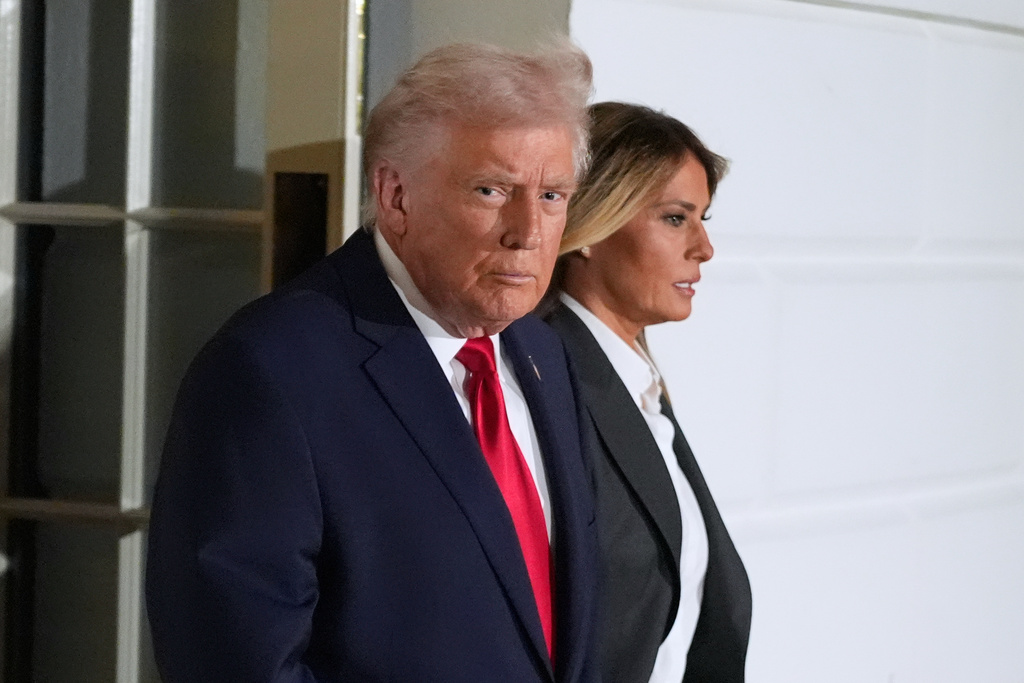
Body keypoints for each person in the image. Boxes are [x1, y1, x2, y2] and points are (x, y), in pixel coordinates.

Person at [146, 42, 600, 682]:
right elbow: (236, 665)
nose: (527, 230)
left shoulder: (542, 350)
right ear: (395, 195)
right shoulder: (271, 369)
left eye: (553, 195)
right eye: (491, 190)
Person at [543, 102, 752, 683]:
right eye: (675, 218)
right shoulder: (544, 384)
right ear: (591, 225)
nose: (704, 247)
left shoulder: (636, 385)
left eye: (703, 217)